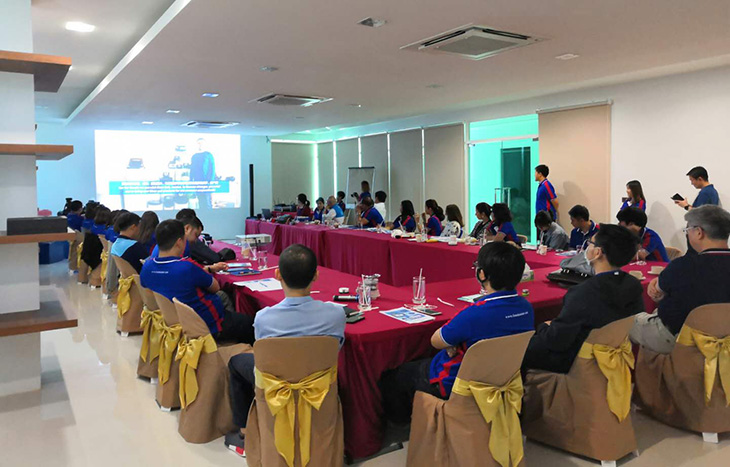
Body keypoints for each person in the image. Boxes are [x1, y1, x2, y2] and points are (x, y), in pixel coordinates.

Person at [380, 242, 534, 423]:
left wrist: (454, 343)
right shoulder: (526, 308)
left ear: (481, 274)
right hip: (502, 378)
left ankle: (404, 425)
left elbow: (436, 341)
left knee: (394, 375)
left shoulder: (475, 313)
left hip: (456, 383)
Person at [224, 244, 346, 456]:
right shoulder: (336, 314)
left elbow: (265, 357)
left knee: (236, 363)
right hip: (318, 382)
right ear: (316, 276)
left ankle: (244, 433)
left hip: (276, 383)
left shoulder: (263, 318)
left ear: (278, 275)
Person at [523, 224, 644, 373]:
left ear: (598, 252)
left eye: (590, 243)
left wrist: (543, 327)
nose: (587, 247)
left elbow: (557, 341)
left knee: (522, 349)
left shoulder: (583, 293)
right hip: (610, 355)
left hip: (577, 360)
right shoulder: (633, 285)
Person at [630, 206, 730, 354]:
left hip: (680, 337)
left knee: (626, 323)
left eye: (687, 230)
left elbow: (656, 292)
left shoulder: (683, 265)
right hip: (724, 336)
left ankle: (634, 368)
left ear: (699, 232)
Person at [141, 220, 254, 344]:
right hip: (206, 325)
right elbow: (215, 287)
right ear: (179, 242)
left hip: (172, 324)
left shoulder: (147, 267)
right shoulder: (187, 267)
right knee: (249, 322)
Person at [190, 138, 216, 209]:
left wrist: (210, 181)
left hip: (207, 183)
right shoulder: (194, 156)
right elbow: (192, 169)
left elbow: (212, 169)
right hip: (197, 183)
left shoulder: (208, 155)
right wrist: (191, 181)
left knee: (207, 202)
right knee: (200, 201)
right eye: (198, 143)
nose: (200, 145)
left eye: (201, 143)